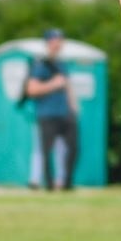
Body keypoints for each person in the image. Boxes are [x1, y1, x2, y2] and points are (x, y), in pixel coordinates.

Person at [25, 28, 79, 191]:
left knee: (69, 149)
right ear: (48, 43)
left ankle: (64, 183)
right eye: (55, 40)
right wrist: (53, 84)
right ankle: (44, 183)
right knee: (44, 151)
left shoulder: (62, 64)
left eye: (60, 40)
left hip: (64, 113)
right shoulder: (41, 64)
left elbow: (67, 86)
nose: (58, 43)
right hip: (47, 114)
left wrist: (73, 107)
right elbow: (31, 89)